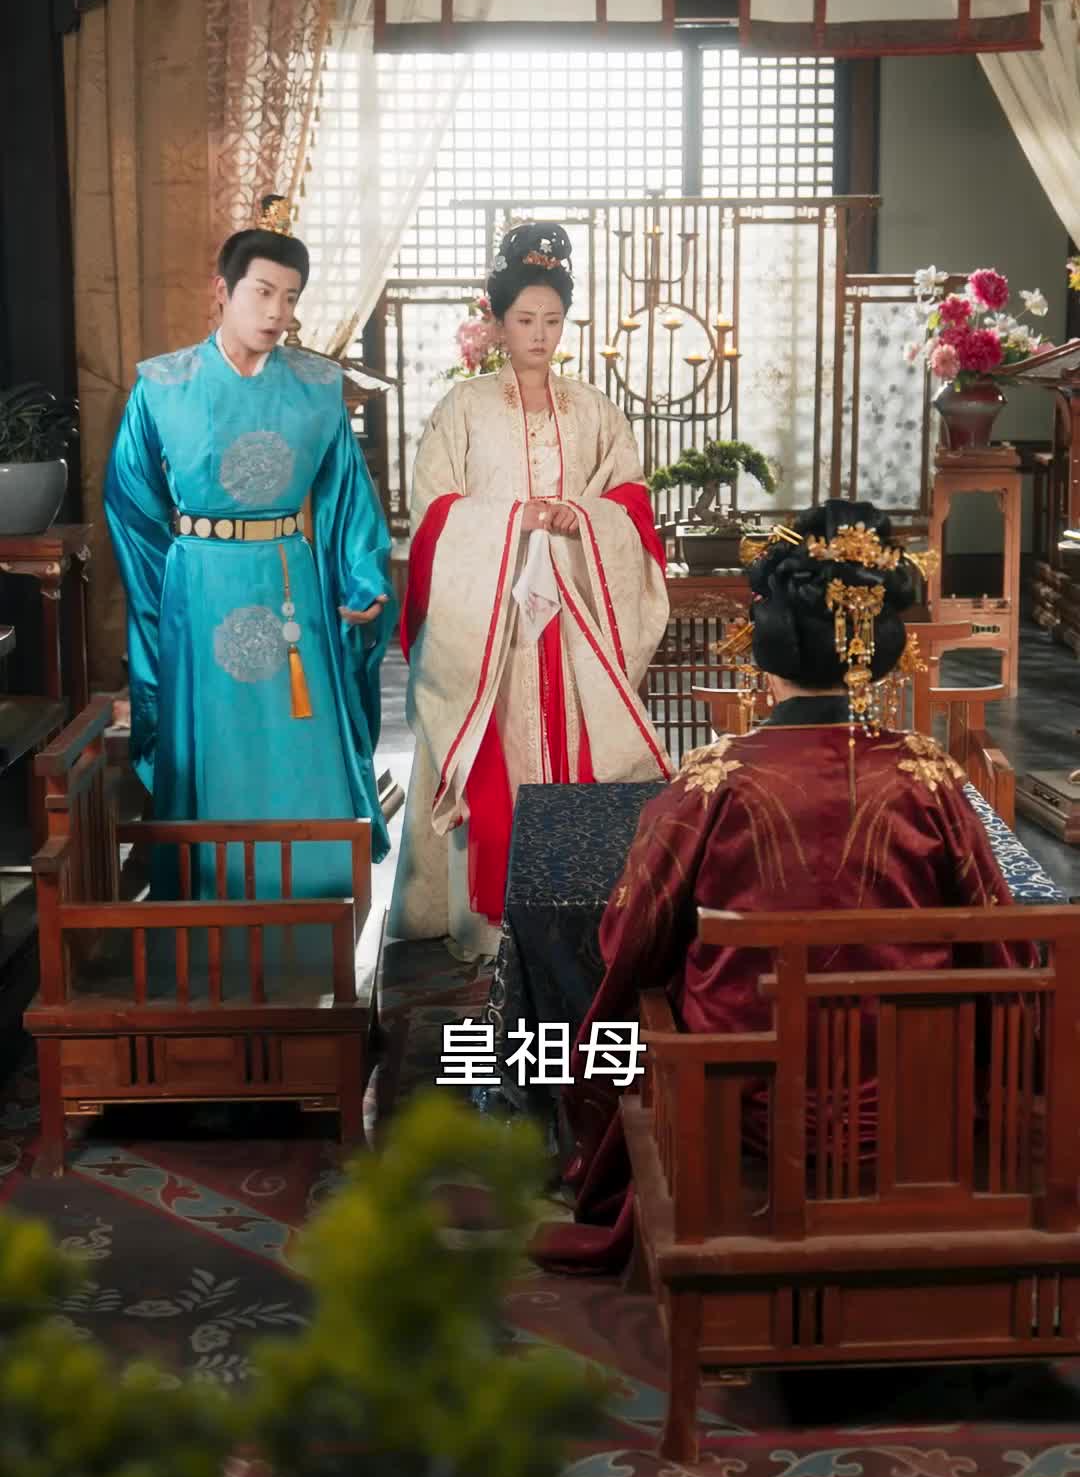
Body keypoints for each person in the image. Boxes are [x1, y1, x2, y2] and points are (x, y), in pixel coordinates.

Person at [533, 499, 1033, 1274]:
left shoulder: (714, 780)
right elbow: (999, 937)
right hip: (910, 1090)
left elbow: (628, 938)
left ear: (762, 652)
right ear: (877, 652)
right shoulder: (927, 776)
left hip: (748, 1092)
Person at [390, 220, 671, 963]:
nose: (539, 335)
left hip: (573, 613)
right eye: (524, 320)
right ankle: (488, 922)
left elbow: (631, 499)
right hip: (493, 620)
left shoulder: (595, 410)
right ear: (498, 322)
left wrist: (582, 518)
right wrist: (517, 518)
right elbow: (434, 511)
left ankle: (580, 911)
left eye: (552, 320)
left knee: (581, 748)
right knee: (497, 751)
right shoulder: (464, 408)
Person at [105, 194, 394, 898]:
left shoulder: (318, 388)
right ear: (223, 290)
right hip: (198, 586)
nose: (276, 312)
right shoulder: (162, 385)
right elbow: (132, 502)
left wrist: (361, 577)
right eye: (262, 292)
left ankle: (318, 895)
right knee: (216, 743)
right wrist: (163, 601)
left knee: (296, 736)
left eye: (290, 298)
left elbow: (347, 492)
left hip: (288, 578)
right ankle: (212, 895)